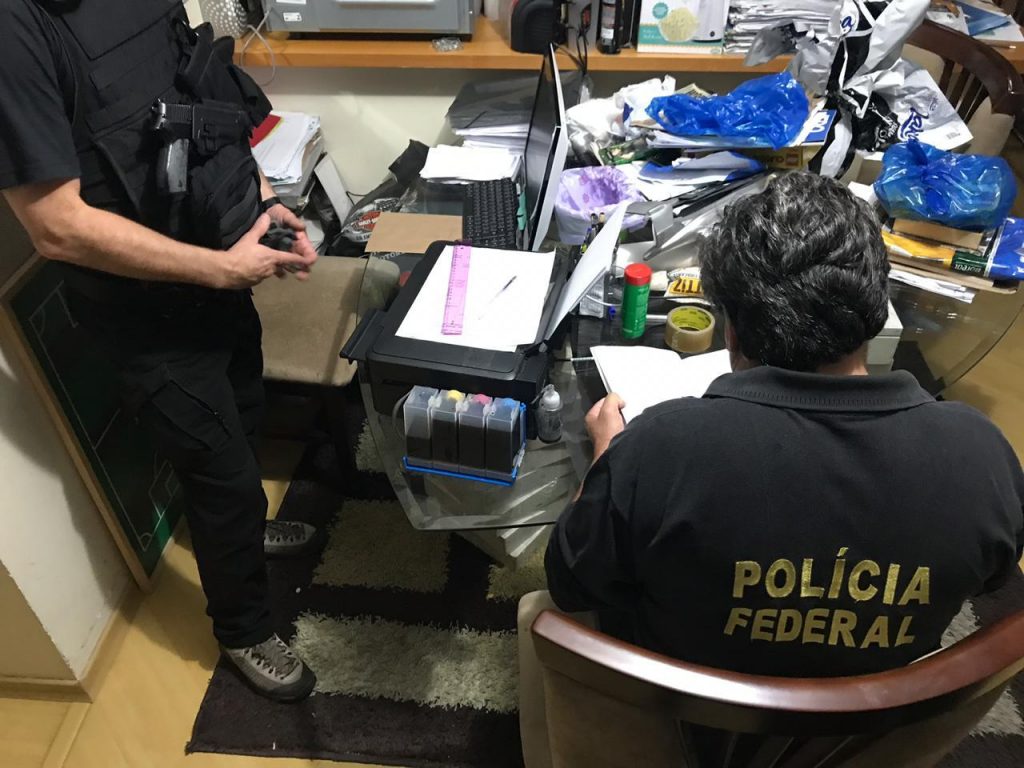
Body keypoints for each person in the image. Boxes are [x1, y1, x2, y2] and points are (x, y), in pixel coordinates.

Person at [518, 172, 1024, 764]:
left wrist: (608, 456)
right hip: (862, 738)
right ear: (875, 309)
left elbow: (572, 580)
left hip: (682, 724)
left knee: (539, 611)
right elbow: (988, 581)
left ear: (731, 328)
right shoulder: (982, 456)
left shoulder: (659, 449)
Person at [0, 0, 321, 701]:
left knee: (247, 411)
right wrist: (219, 269)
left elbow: (207, 98)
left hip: (219, 275)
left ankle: (243, 531)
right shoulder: (16, 30)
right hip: (143, 318)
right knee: (220, 472)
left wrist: (264, 204)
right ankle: (243, 630)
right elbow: (55, 226)